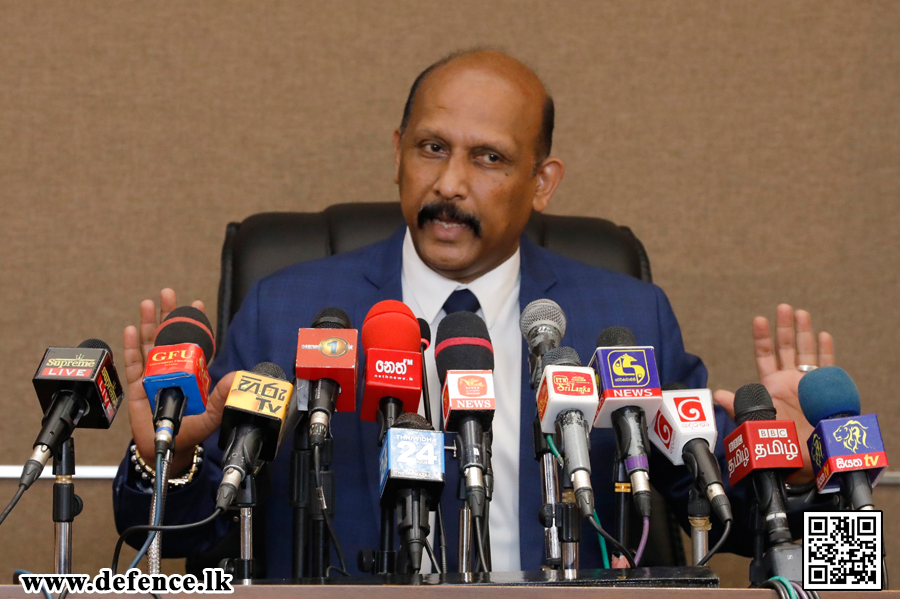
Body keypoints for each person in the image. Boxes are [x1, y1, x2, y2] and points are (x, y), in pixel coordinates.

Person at [114, 50, 834, 576]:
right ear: (398, 154)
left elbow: (733, 526)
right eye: (432, 148)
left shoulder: (626, 316)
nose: (450, 183)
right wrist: (169, 460)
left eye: (488, 158)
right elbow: (191, 541)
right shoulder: (287, 309)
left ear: (541, 182)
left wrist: (799, 476)